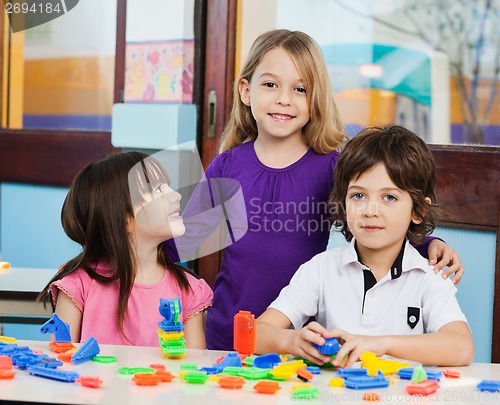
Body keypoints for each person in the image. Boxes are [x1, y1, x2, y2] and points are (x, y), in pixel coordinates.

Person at [173, 29, 464, 351]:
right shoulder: (227, 166)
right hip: (226, 334)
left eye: (300, 89)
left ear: (316, 98)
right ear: (245, 90)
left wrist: (429, 245)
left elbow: (373, 226)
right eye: (270, 84)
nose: (284, 98)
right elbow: (182, 241)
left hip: (302, 342)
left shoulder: (331, 166)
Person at [255, 125, 474, 367]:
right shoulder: (320, 269)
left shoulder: (430, 277)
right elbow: (256, 333)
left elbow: (461, 348)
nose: (370, 211)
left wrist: (379, 345)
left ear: (419, 210)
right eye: (358, 196)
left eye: (389, 197)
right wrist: (293, 341)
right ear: (344, 203)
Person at [38, 152, 213, 347]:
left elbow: (194, 371)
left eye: (167, 186)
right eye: (157, 190)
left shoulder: (190, 290)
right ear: (123, 219)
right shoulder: (78, 286)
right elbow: (60, 361)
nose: (176, 195)